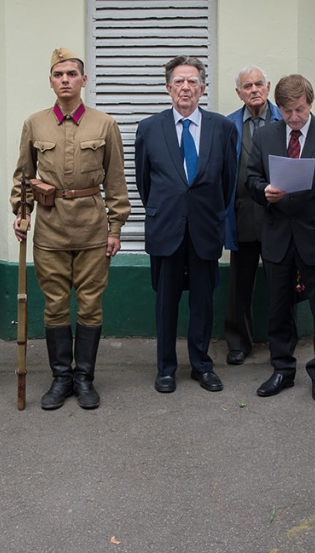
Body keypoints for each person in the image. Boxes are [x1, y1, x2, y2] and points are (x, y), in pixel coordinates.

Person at [11, 48, 130, 411]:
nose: (65, 79)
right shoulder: (35, 124)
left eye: (71, 74)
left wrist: (115, 227)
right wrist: (22, 211)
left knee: (91, 307)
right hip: (50, 231)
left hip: (93, 230)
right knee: (55, 306)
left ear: (83, 80)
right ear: (51, 81)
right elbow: (24, 174)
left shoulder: (104, 124)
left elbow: (116, 181)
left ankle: (84, 379)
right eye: (58, 74)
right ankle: (61, 378)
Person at [245, 74, 315, 403]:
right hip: (277, 233)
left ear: (311, 104)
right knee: (278, 307)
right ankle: (282, 369)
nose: (294, 117)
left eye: (300, 110)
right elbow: (250, 177)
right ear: (279, 108)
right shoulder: (266, 136)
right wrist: (264, 190)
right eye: (288, 111)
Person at [134, 55, 237, 394]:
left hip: (205, 228)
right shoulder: (150, 128)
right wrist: (168, 208)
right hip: (166, 228)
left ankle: (201, 365)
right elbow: (144, 183)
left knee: (203, 303)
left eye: (192, 81)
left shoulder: (222, 128)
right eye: (179, 81)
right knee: (165, 302)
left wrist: (208, 213)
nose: (186, 88)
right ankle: (165, 368)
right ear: (168, 88)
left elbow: (228, 181)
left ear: (203, 88)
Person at [222, 65, 282, 366]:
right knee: (239, 283)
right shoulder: (228, 125)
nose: (254, 89)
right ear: (239, 93)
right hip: (242, 211)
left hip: (278, 212)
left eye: (259, 83)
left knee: (279, 280)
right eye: (247, 86)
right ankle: (238, 342)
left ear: (268, 87)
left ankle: (281, 342)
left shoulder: (283, 119)